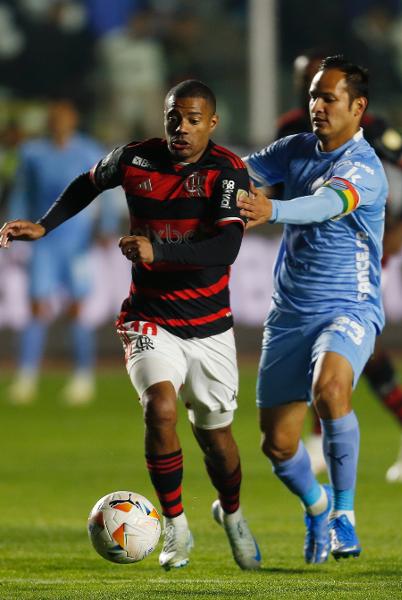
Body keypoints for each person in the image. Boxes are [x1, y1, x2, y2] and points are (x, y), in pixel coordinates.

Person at [0, 80, 261, 572]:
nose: (181, 127)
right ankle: (176, 525)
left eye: (192, 119)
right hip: (149, 317)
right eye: (173, 117)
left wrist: (156, 251)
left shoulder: (227, 172)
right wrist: (44, 224)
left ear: (212, 123)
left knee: (217, 440)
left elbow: (226, 248)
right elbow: (86, 183)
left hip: (209, 325)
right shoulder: (134, 159)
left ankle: (232, 513)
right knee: (160, 407)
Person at [238, 56, 387, 562]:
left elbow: (326, 205)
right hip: (290, 312)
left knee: (331, 387)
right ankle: (318, 506)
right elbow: (236, 175)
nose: (316, 106)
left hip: (350, 304)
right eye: (313, 96)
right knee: (278, 445)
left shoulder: (364, 168)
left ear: (357, 107)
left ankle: (345, 515)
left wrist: (272, 209)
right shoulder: (294, 149)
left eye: (328, 97)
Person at [277, 49, 402, 483]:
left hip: (356, 246)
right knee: (348, 340)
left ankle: (323, 437)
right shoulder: (290, 131)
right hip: (313, 253)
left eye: (318, 82)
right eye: (304, 82)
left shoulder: (369, 130)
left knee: (342, 330)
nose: (310, 90)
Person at [6, 99, 119, 405]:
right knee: (36, 307)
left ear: (73, 120)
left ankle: (83, 377)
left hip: (76, 242)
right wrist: (15, 229)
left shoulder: (89, 150)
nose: (59, 123)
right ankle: (27, 377)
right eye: (54, 118)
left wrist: (108, 226)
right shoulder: (32, 153)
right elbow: (22, 192)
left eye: (64, 118)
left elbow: (105, 191)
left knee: (78, 308)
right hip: (44, 242)